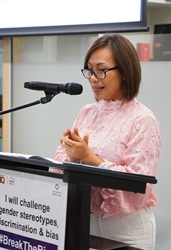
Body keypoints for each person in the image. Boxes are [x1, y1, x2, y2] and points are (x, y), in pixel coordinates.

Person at [53, 33, 161, 250]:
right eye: (89, 70)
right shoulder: (87, 112)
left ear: (124, 72)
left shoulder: (142, 119)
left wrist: (88, 157)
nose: (93, 78)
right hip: (84, 218)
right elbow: (60, 157)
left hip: (126, 228)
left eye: (101, 70)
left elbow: (140, 183)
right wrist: (70, 155)